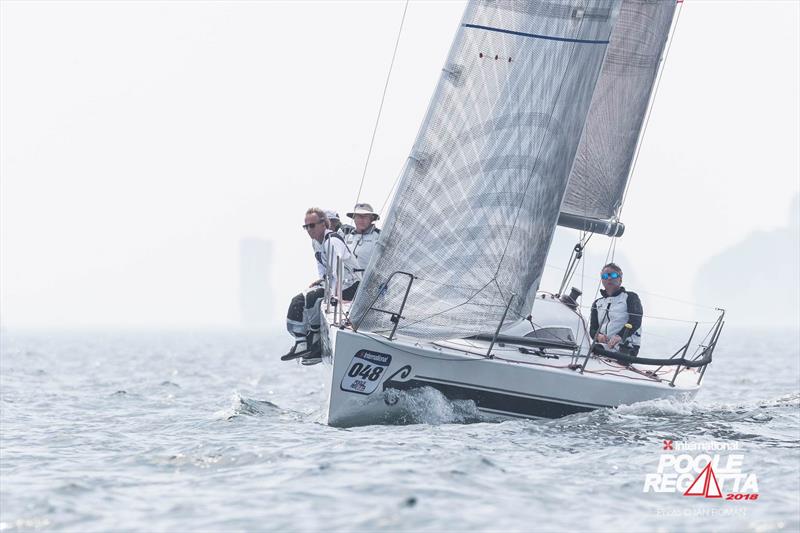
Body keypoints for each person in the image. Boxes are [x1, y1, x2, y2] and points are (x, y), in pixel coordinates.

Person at [284, 207, 361, 364]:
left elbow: (338, 269)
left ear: (324, 224)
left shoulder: (332, 241)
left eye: (312, 225)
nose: (309, 230)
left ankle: (315, 342)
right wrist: (320, 281)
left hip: (351, 286)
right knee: (298, 300)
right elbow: (322, 266)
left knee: (313, 298)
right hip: (333, 284)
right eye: (306, 227)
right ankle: (302, 342)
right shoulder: (316, 243)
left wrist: (337, 297)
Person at [590, 263, 643, 356]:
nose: (609, 278)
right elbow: (593, 329)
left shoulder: (630, 297)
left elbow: (636, 320)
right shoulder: (597, 303)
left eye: (613, 275)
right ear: (602, 280)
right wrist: (598, 336)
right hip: (604, 346)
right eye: (605, 276)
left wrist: (619, 336)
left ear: (620, 279)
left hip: (626, 347)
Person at [344, 203, 381, 273]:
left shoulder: (379, 237)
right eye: (358, 216)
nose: (361, 219)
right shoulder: (347, 237)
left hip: (369, 282)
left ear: (371, 219)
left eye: (365, 216)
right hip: (348, 282)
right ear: (354, 218)